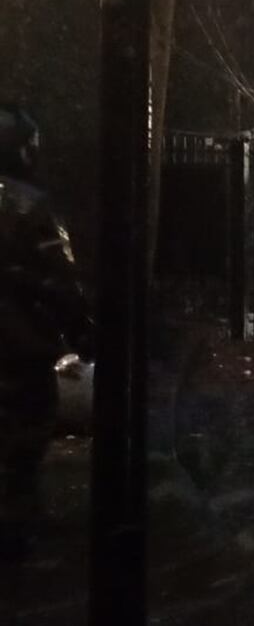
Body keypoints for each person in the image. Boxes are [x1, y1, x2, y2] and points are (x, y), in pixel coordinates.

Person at [0, 104, 94, 561]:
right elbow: (58, 278)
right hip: (16, 347)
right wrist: (82, 330)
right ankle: (15, 534)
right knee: (22, 437)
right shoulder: (27, 204)